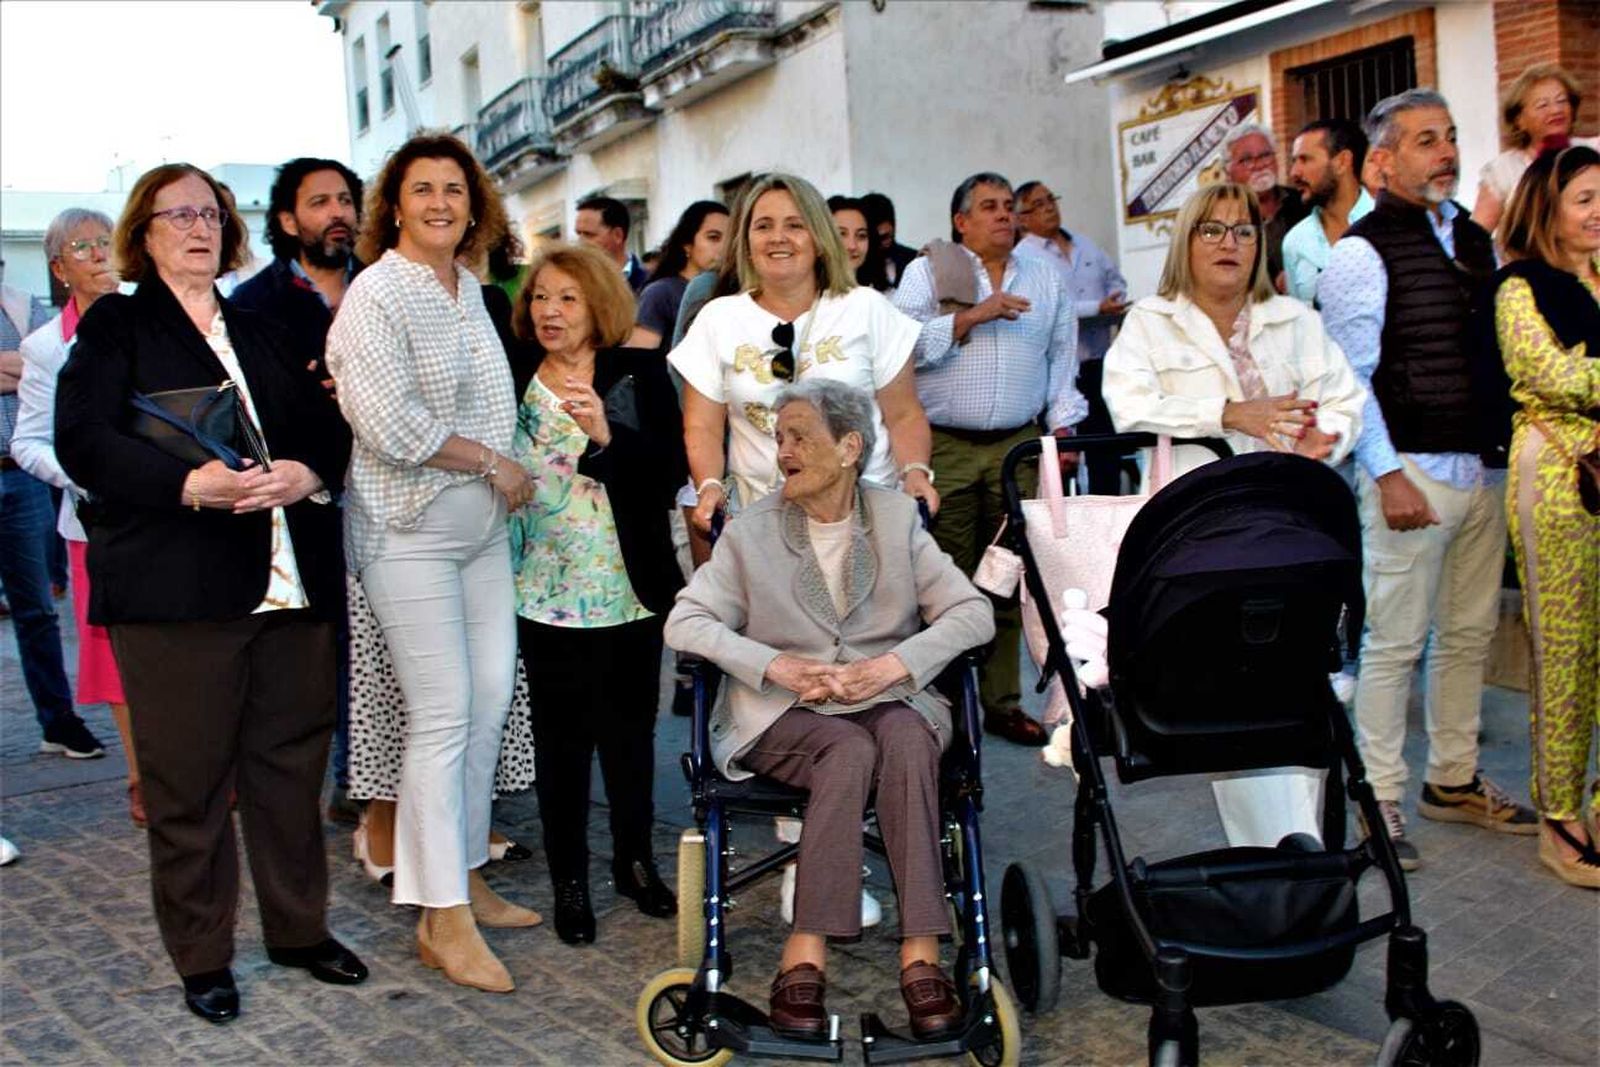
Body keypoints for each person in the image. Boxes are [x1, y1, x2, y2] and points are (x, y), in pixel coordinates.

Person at [54, 163, 365, 1022]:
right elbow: (82, 440)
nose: (198, 227)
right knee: (188, 789)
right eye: (178, 214)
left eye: (211, 213)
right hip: (177, 593)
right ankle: (203, 956)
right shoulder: (118, 326)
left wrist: (308, 472)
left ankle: (299, 931)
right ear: (143, 233)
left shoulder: (267, 328)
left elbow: (330, 427)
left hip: (291, 589)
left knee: (290, 773)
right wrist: (188, 485)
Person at [665, 379, 995, 1041]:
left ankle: (922, 954)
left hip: (886, 695)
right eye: (778, 437)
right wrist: (775, 664)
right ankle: (804, 954)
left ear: (849, 447)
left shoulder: (896, 519)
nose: (782, 451)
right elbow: (686, 622)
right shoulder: (752, 531)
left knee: (906, 738)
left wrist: (894, 665)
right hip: (783, 711)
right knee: (847, 749)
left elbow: (973, 612)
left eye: (799, 437)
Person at [325, 132, 539, 995]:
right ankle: (439, 916)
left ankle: (465, 873)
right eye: (423, 189)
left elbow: (492, 404)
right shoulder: (376, 293)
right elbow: (390, 423)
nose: (441, 202)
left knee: (487, 702)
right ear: (394, 206)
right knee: (444, 712)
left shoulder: (473, 290)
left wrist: (506, 470)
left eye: (455, 188)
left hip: (481, 532)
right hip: (406, 529)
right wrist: (494, 463)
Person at [1320, 89, 1538, 871]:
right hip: (1410, 470)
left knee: (1468, 635)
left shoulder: (1473, 239)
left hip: (1479, 469)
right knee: (1394, 643)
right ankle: (1378, 797)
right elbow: (1350, 379)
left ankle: (1453, 777)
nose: (1445, 152)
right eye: (1424, 141)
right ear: (1381, 162)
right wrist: (1386, 474)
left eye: (1448, 137)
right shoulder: (1360, 253)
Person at [506, 242, 687, 944]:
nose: (549, 311)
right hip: (540, 588)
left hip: (625, 587)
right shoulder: (514, 370)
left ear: (599, 305)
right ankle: (570, 880)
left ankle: (635, 862)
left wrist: (608, 437)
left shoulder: (637, 373)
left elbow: (668, 470)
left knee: (629, 736)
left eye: (567, 298)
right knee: (561, 743)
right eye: (540, 297)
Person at [893, 171, 1086, 747]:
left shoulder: (1045, 275)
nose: (1005, 215)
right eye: (989, 206)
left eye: (1009, 206)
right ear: (961, 221)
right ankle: (948, 707)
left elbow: (1062, 358)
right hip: (945, 445)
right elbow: (899, 350)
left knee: (1006, 576)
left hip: (1016, 446)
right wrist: (972, 316)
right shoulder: (929, 271)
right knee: (946, 581)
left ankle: (1001, 703)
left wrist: (1062, 429)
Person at [230, 156, 364, 823]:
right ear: (287, 220)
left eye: (345, 200)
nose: (337, 213)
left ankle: (374, 775)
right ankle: (346, 775)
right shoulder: (254, 305)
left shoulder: (385, 284)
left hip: (395, 489)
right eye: (319, 202)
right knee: (327, 642)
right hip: (307, 499)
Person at [1491, 145, 1600, 888]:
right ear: (1546, 208)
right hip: (1560, 475)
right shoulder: (1519, 285)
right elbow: (1550, 375)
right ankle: (1559, 817)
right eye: (1584, 198)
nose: (1598, 212)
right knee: (1564, 651)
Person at [12, 210, 137, 820]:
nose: (98, 254)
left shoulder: (154, 319)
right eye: (82, 247)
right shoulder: (43, 346)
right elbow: (29, 441)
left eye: (106, 242)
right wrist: (85, 473)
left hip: (173, 512)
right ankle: (142, 776)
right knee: (115, 655)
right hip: (94, 522)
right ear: (59, 269)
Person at [1104, 181, 1365, 473]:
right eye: (1211, 231)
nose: (1229, 244)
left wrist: (1324, 436)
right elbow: (1128, 407)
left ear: (1258, 246)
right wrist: (1227, 415)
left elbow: (1346, 400)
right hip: (1197, 497)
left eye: (1244, 232)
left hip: (1290, 491)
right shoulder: (1149, 321)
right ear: (1185, 243)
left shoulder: (1297, 319)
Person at [1, 259, 104, 762]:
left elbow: (54, 366)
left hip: (20, 476)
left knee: (38, 608)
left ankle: (58, 721)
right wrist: (18, 366)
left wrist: (21, 366)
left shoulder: (21, 306)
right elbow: (32, 367)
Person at [1014, 179, 1130, 493]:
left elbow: (1115, 279)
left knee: (1105, 447)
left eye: (1051, 199)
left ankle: (1109, 508)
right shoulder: (1024, 257)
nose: (1049, 208)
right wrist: (1096, 307)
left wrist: (1114, 298)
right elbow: (1042, 307)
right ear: (1022, 218)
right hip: (1061, 371)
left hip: (1099, 363)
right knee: (1065, 456)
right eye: (1038, 204)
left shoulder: (1083, 243)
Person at [1473, 64, 1598, 237]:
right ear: (1519, 120)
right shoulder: (1503, 170)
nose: (1556, 110)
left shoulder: (1594, 151)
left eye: (1562, 101)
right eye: (1542, 105)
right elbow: (1475, 237)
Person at [1283, 119, 1375, 307]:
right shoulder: (1294, 242)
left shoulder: (1389, 225)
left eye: (1305, 159)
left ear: (1342, 162)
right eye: (1294, 161)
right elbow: (1299, 318)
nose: (1294, 173)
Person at [628, 199, 728, 350]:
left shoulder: (736, 291)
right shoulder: (660, 293)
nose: (724, 247)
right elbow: (640, 356)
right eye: (713, 238)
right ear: (687, 244)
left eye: (731, 239)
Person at [1222, 122, 1309, 290]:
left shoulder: (1304, 202)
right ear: (1228, 172)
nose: (1259, 165)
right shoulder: (1221, 221)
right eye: (1246, 160)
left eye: (1265, 155)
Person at [575, 195, 648, 292]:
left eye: (589, 235)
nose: (581, 241)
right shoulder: (572, 284)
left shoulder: (649, 285)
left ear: (618, 235)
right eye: (579, 234)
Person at [829, 195, 890, 291]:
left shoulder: (881, 296)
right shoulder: (809, 295)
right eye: (841, 234)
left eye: (861, 236)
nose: (852, 246)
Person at [860, 191, 919, 288]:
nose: (887, 242)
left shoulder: (913, 260)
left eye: (888, 235)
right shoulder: (856, 265)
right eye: (880, 238)